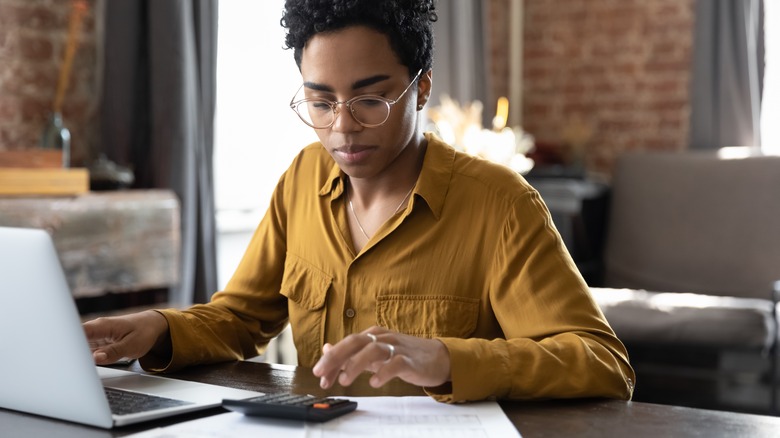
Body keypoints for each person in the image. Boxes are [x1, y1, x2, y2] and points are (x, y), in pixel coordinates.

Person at [84, 0, 635, 403]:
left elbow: (603, 362)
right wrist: (159, 327)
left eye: (370, 99)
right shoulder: (302, 178)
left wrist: (448, 360)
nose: (342, 127)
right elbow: (241, 319)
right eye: (321, 102)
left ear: (421, 89)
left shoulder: (500, 205)